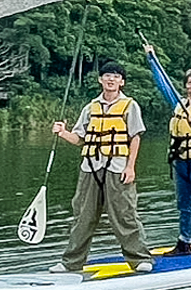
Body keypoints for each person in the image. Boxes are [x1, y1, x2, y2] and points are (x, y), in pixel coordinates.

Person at [49, 62, 153, 274]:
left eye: (115, 76)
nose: (111, 79)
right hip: (90, 167)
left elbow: (135, 137)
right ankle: (71, 262)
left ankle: (139, 258)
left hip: (117, 166)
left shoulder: (130, 106)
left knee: (124, 214)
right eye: (107, 76)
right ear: (100, 79)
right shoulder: (90, 107)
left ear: (122, 82)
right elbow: (79, 138)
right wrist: (62, 132)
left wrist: (130, 167)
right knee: (82, 216)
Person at [144, 42, 191, 258]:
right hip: (180, 160)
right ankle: (184, 242)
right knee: (184, 204)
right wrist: (152, 58)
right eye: (190, 82)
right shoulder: (179, 103)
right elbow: (163, 85)